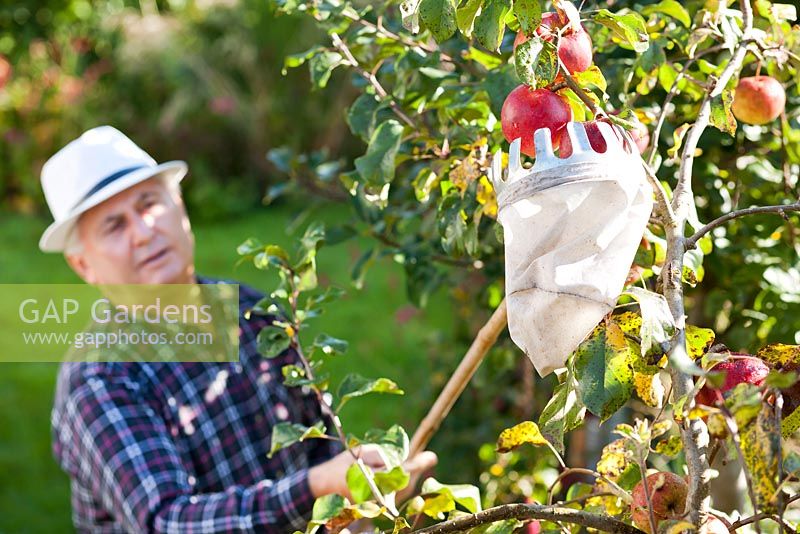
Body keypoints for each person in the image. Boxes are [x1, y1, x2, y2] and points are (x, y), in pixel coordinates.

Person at [41, 126, 437, 532]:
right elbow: (166, 522)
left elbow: (318, 447)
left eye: (149, 204)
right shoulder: (99, 378)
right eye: (114, 226)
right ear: (83, 264)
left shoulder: (252, 312)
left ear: (179, 205)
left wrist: (360, 501)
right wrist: (315, 488)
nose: (144, 232)